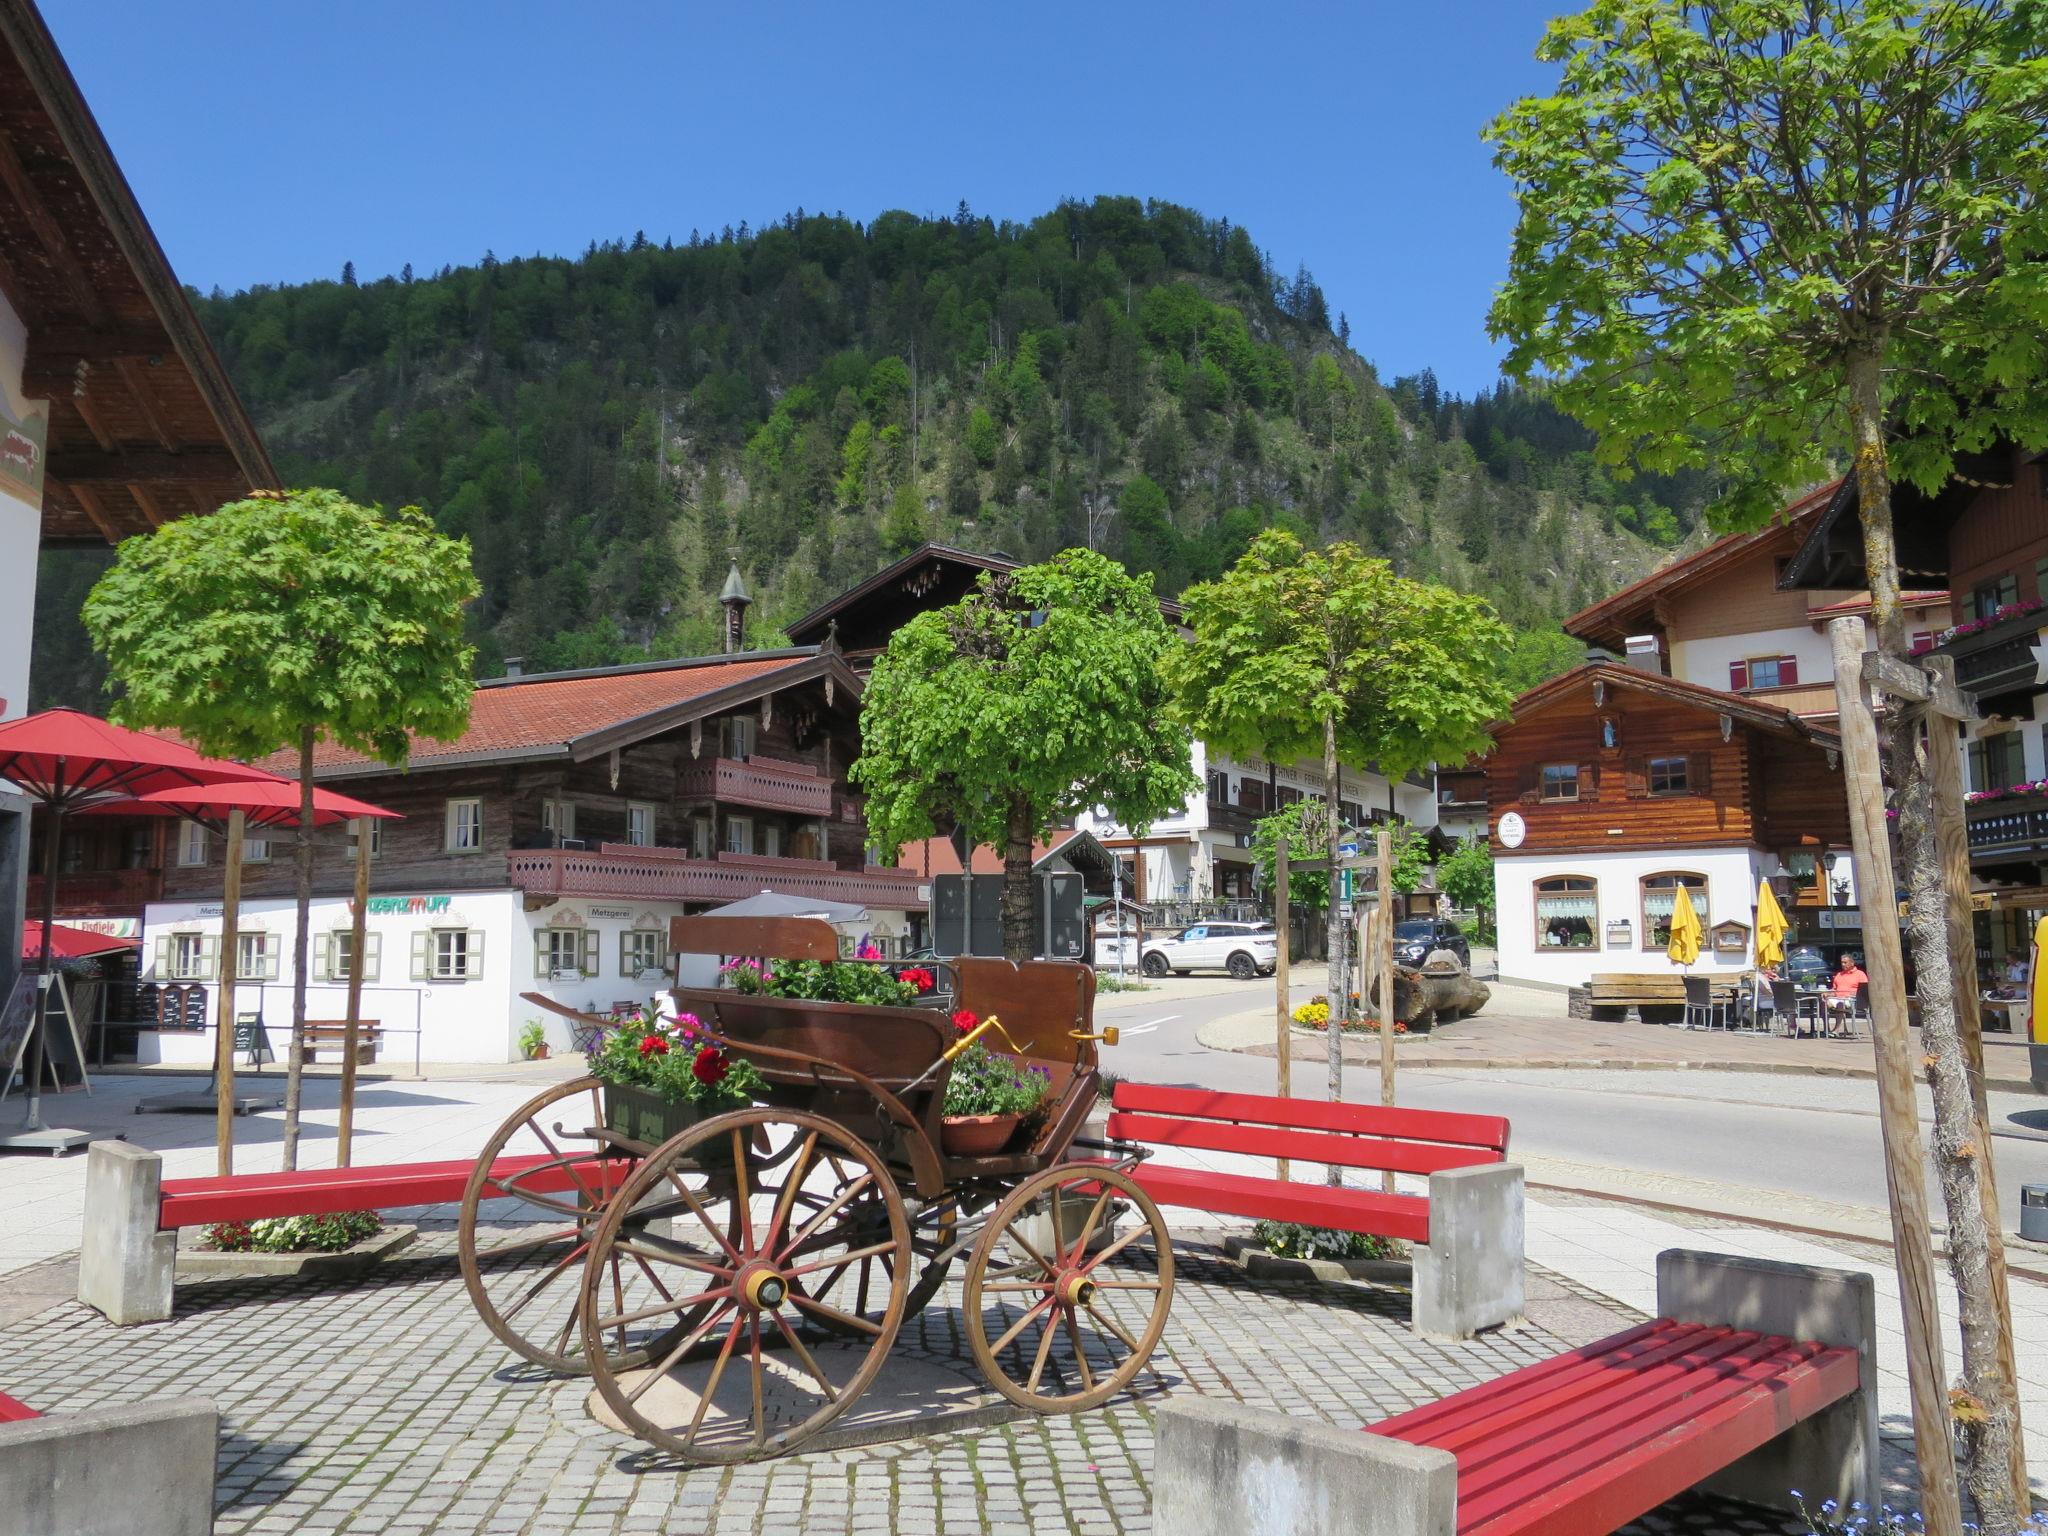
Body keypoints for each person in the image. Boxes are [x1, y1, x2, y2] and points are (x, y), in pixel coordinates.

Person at [1826, 952, 1868, 1035]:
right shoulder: (1839, 975)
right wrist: (1827, 993)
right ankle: (1826, 1029)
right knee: (1821, 1002)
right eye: (1842, 962)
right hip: (1837, 998)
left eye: (1845, 962)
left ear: (1852, 963)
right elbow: (1834, 990)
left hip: (1853, 1000)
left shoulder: (1860, 974)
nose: (1843, 964)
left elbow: (1864, 991)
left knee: (1840, 1004)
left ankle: (1836, 1030)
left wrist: (1851, 994)